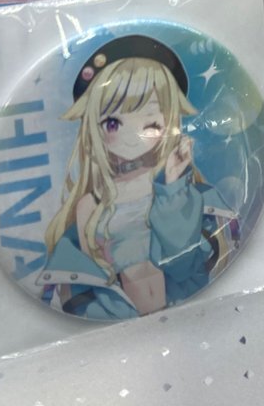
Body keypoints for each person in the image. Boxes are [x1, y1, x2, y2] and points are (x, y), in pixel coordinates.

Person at [39, 35, 236, 319]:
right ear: (94, 127)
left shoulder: (176, 188)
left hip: (191, 310)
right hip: (120, 321)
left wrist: (173, 185)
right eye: (113, 123)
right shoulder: (91, 205)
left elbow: (184, 264)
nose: (132, 138)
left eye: (151, 123)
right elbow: (89, 282)